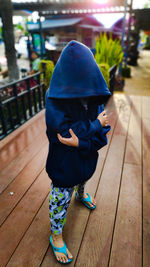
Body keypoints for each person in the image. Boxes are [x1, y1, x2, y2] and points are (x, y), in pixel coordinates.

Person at [45, 40, 111, 264]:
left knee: (84, 177)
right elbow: (64, 134)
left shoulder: (95, 95)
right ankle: (56, 234)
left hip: (86, 155)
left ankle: (81, 194)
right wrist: (93, 126)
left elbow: (102, 130)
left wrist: (83, 142)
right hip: (63, 163)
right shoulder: (54, 96)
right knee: (60, 196)